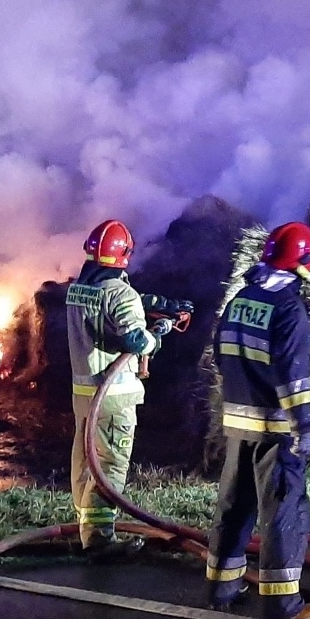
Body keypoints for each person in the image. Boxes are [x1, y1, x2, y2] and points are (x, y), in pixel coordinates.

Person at [204, 222, 310, 619]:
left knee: (235, 506)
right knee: (282, 512)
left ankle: (222, 587)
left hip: (238, 423)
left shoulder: (241, 299)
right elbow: (294, 378)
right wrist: (304, 428)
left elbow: (220, 356)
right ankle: (281, 605)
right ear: (302, 264)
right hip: (276, 429)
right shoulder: (289, 309)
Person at [66, 219, 192, 559]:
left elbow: (117, 300)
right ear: (124, 255)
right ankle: (100, 540)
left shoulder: (79, 287)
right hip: (114, 395)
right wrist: (161, 329)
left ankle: (86, 527)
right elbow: (137, 340)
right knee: (109, 465)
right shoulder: (119, 294)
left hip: (84, 393)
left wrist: (162, 301)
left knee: (85, 460)